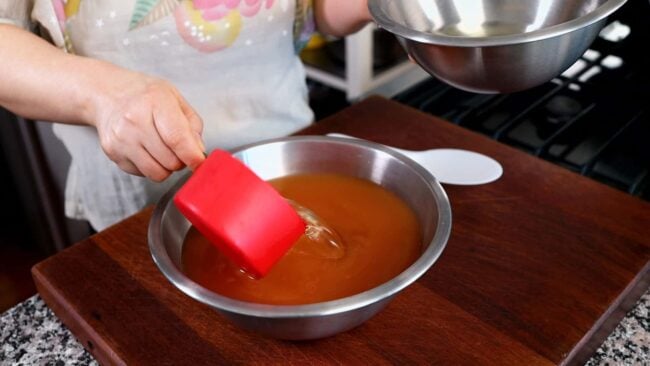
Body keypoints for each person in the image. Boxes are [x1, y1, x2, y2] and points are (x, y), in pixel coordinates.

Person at [0, 0, 372, 231]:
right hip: (143, 206)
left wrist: (372, 5)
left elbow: (306, 11)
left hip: (290, 162)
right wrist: (102, 93)